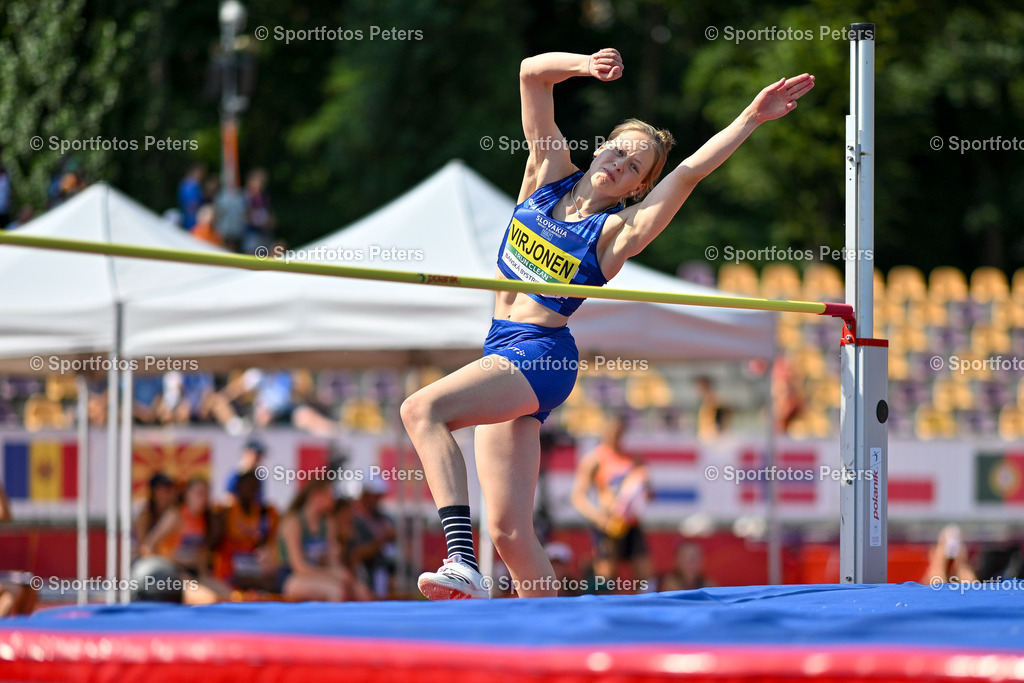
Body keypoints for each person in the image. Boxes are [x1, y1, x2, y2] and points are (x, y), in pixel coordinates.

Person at [402, 48, 814, 600]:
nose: (621, 162)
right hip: (499, 349)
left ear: (637, 188)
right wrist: (583, 64)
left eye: (635, 166)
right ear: (601, 147)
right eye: (619, 149)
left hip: (539, 355)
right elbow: (529, 73)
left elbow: (688, 173)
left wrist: (750, 118)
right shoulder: (545, 173)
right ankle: (553, 646)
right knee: (509, 530)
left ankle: (458, 559)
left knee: (422, 409)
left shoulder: (614, 233)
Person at [571, 414, 653, 592]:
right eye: (612, 431)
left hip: (631, 523)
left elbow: (649, 496)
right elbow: (578, 497)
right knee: (606, 578)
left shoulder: (633, 460)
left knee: (645, 577)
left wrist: (645, 485)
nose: (616, 435)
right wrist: (597, 516)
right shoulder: (594, 460)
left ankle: (643, 613)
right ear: (605, 431)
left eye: (620, 431)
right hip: (608, 523)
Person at [139, 477, 231, 603]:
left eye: (206, 494)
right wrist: (165, 570)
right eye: (199, 493)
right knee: (209, 599)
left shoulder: (202, 519)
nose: (203, 499)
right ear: (188, 494)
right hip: (172, 575)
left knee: (228, 595)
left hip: (193, 574)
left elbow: (200, 552)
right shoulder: (175, 516)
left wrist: (204, 574)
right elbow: (147, 546)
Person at [277, 480, 367, 601]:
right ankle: (335, 620)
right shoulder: (293, 523)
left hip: (318, 575)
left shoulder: (327, 523)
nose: (333, 499)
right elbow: (299, 567)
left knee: (361, 590)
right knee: (335, 591)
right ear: (316, 495)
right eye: (330, 494)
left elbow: (332, 561)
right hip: (293, 578)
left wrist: (343, 574)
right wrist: (331, 576)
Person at [213, 470, 280, 593]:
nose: (251, 489)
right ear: (238, 487)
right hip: (229, 572)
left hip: (256, 570)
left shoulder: (266, 513)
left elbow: (268, 546)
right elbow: (213, 544)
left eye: (255, 485)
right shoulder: (225, 511)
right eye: (247, 485)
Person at [350, 477, 398, 599]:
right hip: (365, 574)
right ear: (363, 495)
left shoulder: (383, 518)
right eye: (374, 496)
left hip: (385, 571)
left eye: (379, 496)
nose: (378, 500)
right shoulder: (353, 520)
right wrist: (383, 540)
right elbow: (356, 553)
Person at [695, 376, 730, 442]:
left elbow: (724, 412)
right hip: (707, 437)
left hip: (714, 438)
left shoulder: (714, 397)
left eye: (699, 387)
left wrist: (719, 429)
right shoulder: (706, 400)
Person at [178, 164, 205, 231]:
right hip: (191, 219)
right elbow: (192, 204)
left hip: (190, 218)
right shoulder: (190, 185)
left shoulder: (190, 184)